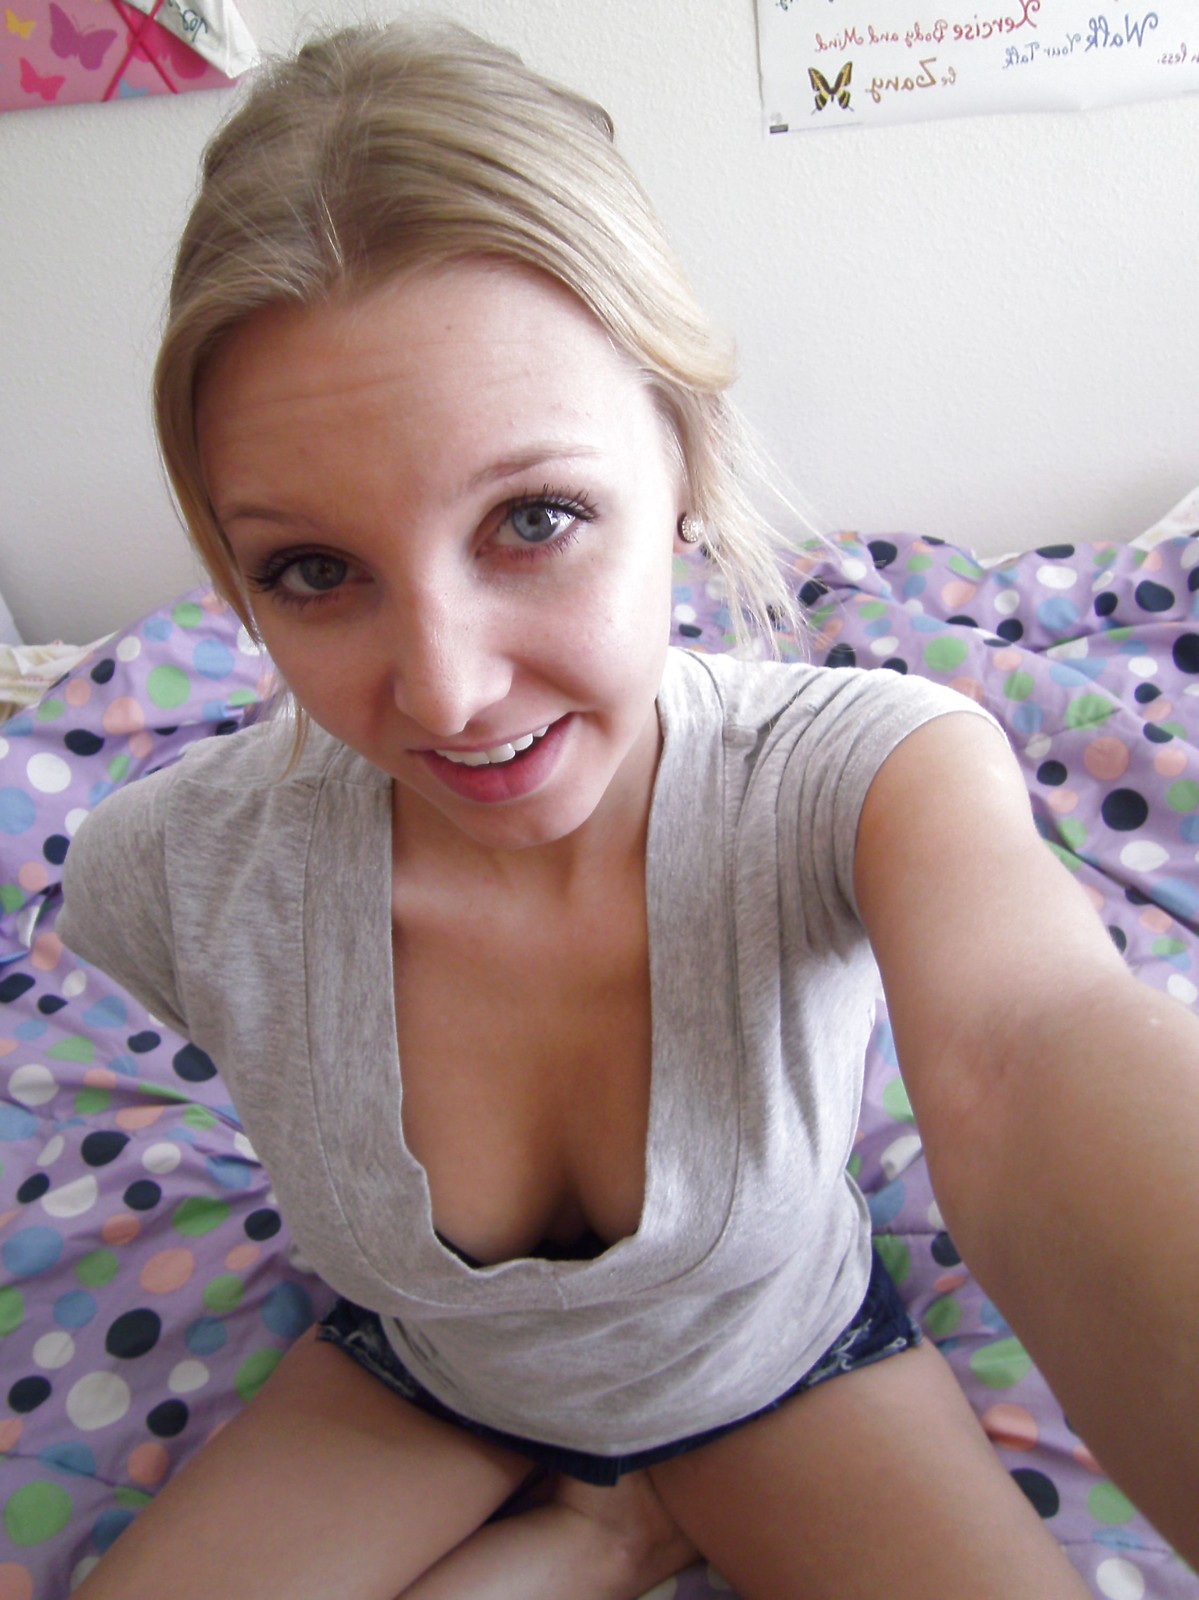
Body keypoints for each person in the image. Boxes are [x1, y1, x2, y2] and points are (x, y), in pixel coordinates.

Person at [57, 20, 1199, 1600]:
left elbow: (1025, 1050)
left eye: (533, 520)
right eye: (312, 571)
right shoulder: (173, 872)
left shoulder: (871, 776)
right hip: (425, 1372)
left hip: (778, 1370)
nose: (448, 691)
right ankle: (606, 1533)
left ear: (681, 462)